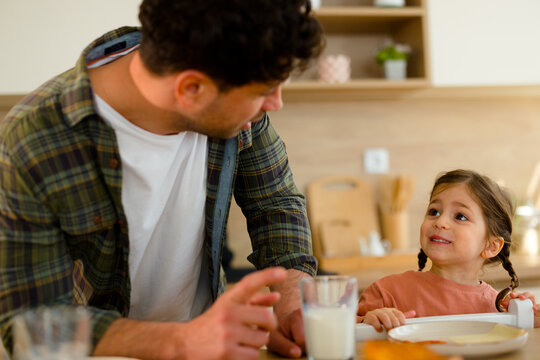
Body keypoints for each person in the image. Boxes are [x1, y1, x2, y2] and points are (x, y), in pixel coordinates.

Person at [0, 0, 324, 359]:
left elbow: (275, 202)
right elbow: (29, 323)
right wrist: (181, 341)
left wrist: (293, 301)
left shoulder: (228, 82)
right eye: (263, 92)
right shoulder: (32, 142)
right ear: (190, 90)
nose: (274, 103)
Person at [357, 169, 540, 331]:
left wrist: (527, 317)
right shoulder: (386, 292)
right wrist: (368, 321)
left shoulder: (498, 308)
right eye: (434, 212)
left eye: (460, 216)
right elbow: (342, 333)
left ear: (491, 246)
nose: (440, 222)